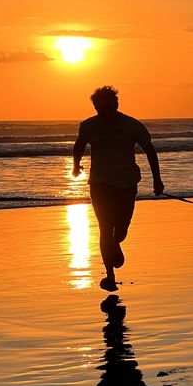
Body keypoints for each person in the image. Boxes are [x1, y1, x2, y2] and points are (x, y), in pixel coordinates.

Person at [72, 86, 164, 291]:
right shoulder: (88, 125)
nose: (101, 111)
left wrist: (157, 179)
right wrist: (75, 165)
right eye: (97, 107)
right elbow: (79, 144)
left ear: (115, 104)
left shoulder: (132, 125)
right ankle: (110, 277)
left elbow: (149, 149)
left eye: (105, 106)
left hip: (126, 183)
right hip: (100, 183)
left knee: (121, 228)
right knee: (105, 228)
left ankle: (115, 243)